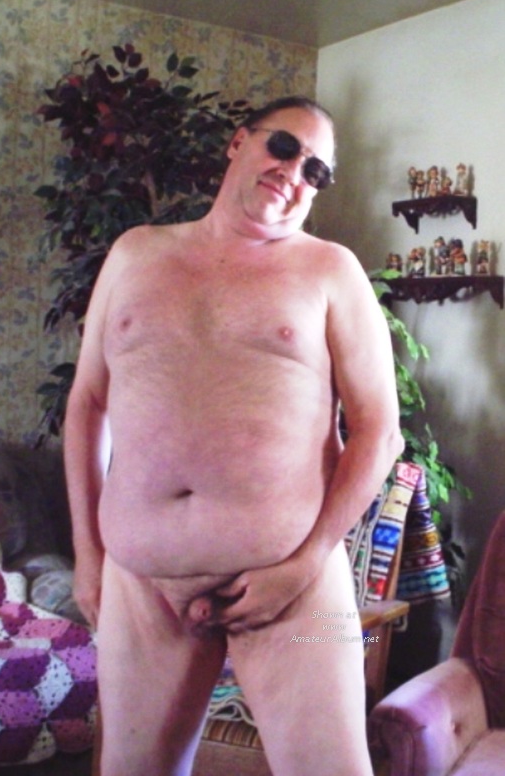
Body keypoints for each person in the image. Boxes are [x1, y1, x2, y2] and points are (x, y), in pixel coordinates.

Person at [64, 95, 404, 776]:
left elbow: (380, 433)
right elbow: (86, 405)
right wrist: (89, 556)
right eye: (283, 146)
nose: (294, 172)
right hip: (141, 582)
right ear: (239, 141)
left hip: (295, 586)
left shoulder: (330, 270)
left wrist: (304, 564)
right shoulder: (134, 253)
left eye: (315, 171)